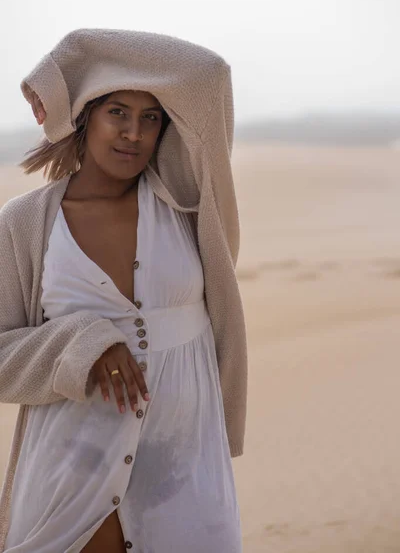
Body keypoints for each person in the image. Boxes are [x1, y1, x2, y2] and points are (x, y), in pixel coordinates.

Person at [0, 29, 248, 553]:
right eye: (117, 111)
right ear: (85, 116)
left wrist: (70, 59)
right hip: (70, 472)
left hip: (183, 471)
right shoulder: (24, 224)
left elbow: (209, 75)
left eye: (150, 117)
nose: (134, 132)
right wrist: (83, 341)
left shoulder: (186, 207)